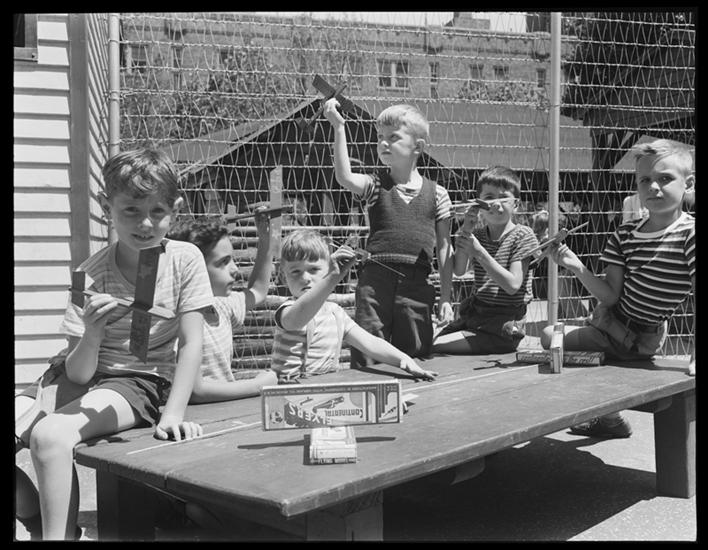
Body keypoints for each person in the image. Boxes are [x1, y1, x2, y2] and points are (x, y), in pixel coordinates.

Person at [14, 148, 213, 540]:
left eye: (157, 211)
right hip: (77, 374)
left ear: (175, 209)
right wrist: (92, 334)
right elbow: (77, 373)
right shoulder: (88, 276)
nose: (145, 223)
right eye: (131, 210)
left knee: (50, 436)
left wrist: (173, 413)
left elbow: (192, 342)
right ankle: (40, 522)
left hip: (137, 380)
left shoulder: (184, 259)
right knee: (43, 432)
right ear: (107, 207)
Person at [541, 138, 695, 439]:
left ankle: (608, 417)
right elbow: (610, 295)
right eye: (645, 180)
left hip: (643, 337)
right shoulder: (625, 234)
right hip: (609, 324)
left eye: (665, 179)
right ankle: (608, 417)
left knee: (554, 341)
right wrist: (574, 264)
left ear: (688, 184)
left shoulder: (689, 234)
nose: (653, 187)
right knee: (550, 336)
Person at [323, 99, 454, 369]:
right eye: (380, 137)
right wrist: (339, 127)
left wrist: (446, 297)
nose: (383, 142)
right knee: (368, 352)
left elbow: (444, 248)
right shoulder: (374, 185)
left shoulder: (438, 194)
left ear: (418, 147)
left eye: (393, 137)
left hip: (417, 284)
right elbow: (344, 177)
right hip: (375, 284)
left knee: (416, 351)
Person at [272, 228, 438, 382]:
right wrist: (332, 278)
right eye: (295, 271)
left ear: (327, 268)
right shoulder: (287, 310)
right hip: (288, 393)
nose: (305, 278)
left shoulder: (335, 313)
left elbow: (371, 343)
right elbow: (297, 319)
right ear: (283, 276)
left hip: (324, 388)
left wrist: (404, 359)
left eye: (313, 269)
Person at [167, 213, 278, 403]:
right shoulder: (174, 322)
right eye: (223, 262)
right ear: (191, 267)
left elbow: (257, 291)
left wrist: (265, 239)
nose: (235, 269)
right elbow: (195, 391)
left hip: (223, 411)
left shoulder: (219, 306)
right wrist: (258, 385)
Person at [432, 166, 539, 354]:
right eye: (489, 197)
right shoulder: (479, 235)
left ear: (516, 204)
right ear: (480, 203)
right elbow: (459, 270)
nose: (496, 204)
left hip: (503, 325)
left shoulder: (523, 235)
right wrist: (467, 229)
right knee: (430, 339)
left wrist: (480, 253)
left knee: (432, 345)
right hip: (476, 315)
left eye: (503, 198)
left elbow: (513, 285)